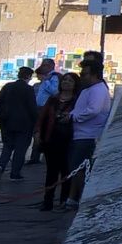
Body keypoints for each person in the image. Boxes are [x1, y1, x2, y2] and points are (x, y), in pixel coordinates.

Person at [63, 56, 111, 208]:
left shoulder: (98, 90)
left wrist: (73, 117)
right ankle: (72, 197)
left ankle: (77, 198)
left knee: (78, 168)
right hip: (81, 134)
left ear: (94, 74)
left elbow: (93, 110)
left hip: (88, 135)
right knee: (75, 168)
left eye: (84, 74)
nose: (82, 77)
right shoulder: (89, 90)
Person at [36, 73, 77, 211]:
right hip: (51, 139)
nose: (66, 82)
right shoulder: (53, 100)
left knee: (66, 171)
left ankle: (64, 200)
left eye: (70, 81)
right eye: (64, 80)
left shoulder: (77, 101)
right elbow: (42, 117)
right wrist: (38, 133)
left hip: (69, 140)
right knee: (51, 171)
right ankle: (47, 201)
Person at [0, 67, 40, 180]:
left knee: (7, 146)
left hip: (7, 122)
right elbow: (32, 107)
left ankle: (0, 165)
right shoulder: (28, 89)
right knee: (20, 149)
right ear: (28, 76)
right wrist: (37, 121)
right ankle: (15, 174)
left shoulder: (8, 86)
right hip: (24, 123)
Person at [28, 58, 59, 166]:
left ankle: (43, 156)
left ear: (51, 66)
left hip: (46, 109)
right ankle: (35, 156)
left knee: (43, 131)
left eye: (45, 65)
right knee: (36, 132)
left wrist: (46, 82)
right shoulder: (44, 79)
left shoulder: (54, 77)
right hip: (38, 108)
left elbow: (55, 92)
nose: (43, 67)